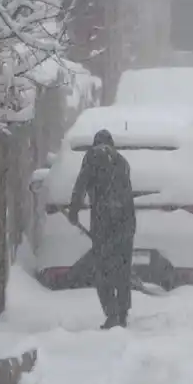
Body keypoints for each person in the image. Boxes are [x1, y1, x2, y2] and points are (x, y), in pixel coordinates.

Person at [69, 129, 137, 329]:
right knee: (122, 269)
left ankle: (111, 313)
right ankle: (123, 313)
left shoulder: (92, 157)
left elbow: (81, 185)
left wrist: (74, 211)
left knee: (103, 269)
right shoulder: (123, 162)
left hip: (103, 222)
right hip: (126, 222)